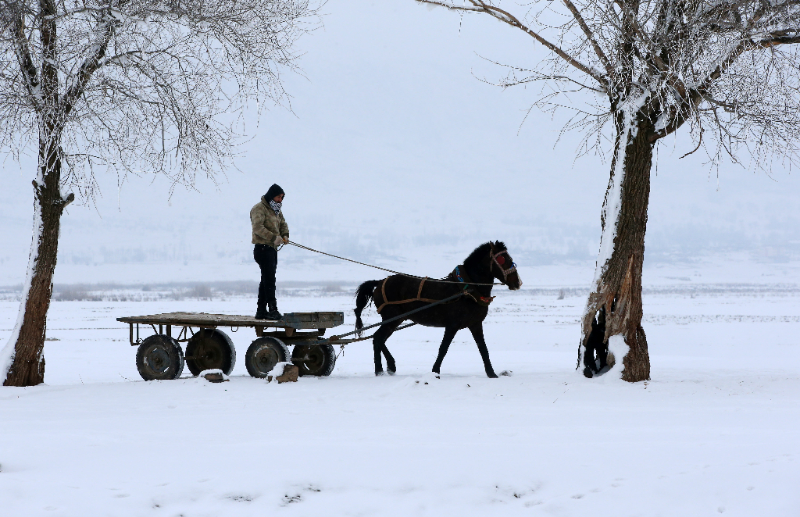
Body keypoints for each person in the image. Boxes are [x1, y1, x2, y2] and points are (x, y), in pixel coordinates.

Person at [251, 184, 289, 320]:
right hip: (262, 248)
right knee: (269, 280)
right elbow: (257, 228)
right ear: (271, 195)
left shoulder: (276, 210)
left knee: (266, 279)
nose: (280, 200)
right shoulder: (259, 209)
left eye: (282, 198)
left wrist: (285, 235)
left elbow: (283, 224)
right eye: (279, 197)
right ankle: (273, 309)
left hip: (272, 249)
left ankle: (261, 310)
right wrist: (274, 237)